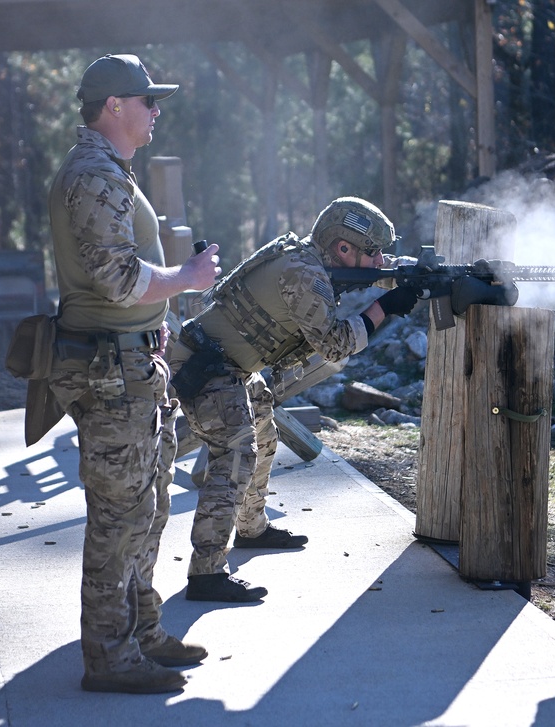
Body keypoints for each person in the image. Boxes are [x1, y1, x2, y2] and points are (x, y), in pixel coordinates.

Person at [45, 53, 222, 695]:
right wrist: (189, 279)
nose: (156, 111)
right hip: (109, 372)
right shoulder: (93, 175)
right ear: (114, 106)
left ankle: (142, 632)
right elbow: (120, 280)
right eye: (149, 100)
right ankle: (109, 655)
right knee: (119, 514)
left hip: (131, 365)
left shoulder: (109, 170)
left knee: (146, 505)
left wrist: (160, 320)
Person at [168, 197, 419, 603]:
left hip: (229, 364)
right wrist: (382, 309)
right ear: (342, 248)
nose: (377, 260)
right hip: (206, 366)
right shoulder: (303, 274)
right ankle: (206, 573)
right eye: (371, 252)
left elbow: (373, 272)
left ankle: (252, 529)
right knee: (235, 452)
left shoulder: (313, 260)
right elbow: (335, 343)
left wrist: (411, 272)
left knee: (264, 437)